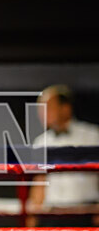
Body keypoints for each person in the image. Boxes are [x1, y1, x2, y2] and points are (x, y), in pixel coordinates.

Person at [29, 84, 99, 219]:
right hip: (53, 212)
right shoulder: (41, 142)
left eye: (48, 108)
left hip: (87, 211)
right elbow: (39, 181)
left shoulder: (93, 136)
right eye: (40, 109)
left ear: (65, 108)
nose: (42, 114)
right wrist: (33, 216)